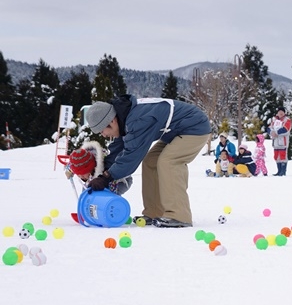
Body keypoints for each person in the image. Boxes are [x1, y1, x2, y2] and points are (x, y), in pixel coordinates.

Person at [85, 95, 210, 228]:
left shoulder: (138, 120)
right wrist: (102, 170)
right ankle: (154, 211)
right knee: (151, 161)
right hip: (176, 131)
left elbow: (131, 157)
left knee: (168, 161)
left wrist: (106, 177)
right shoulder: (124, 117)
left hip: (195, 128)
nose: (103, 135)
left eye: (102, 130)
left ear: (112, 121)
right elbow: (119, 147)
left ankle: (179, 215)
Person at [65, 140, 132, 195]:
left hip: (120, 180)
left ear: (90, 169)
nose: (80, 177)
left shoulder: (104, 168)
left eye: (82, 174)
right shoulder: (83, 161)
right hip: (93, 177)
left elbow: (111, 183)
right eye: (78, 174)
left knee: (104, 194)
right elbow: (73, 165)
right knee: (86, 193)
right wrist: (70, 171)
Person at [267, 106, 292, 176]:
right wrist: (271, 133)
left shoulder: (287, 120)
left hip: (283, 141)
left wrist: (276, 133)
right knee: (276, 156)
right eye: (279, 112)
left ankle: (283, 171)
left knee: (283, 156)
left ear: (284, 113)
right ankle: (279, 170)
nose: (280, 113)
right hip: (275, 142)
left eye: (282, 112)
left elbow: (286, 129)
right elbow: (269, 128)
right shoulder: (274, 120)